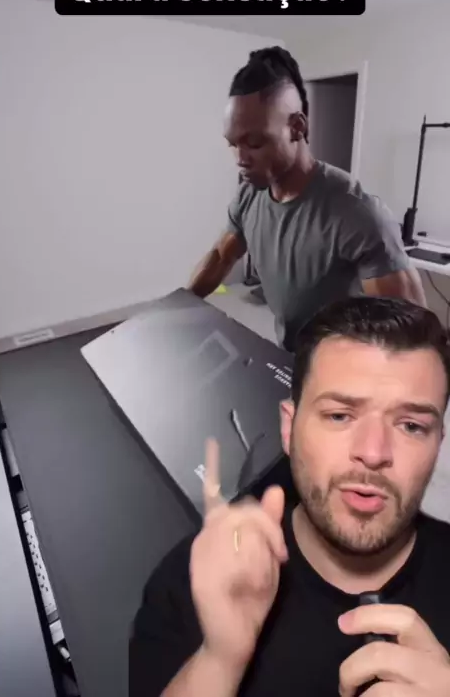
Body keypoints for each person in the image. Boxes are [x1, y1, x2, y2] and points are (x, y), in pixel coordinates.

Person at [128, 296, 450, 697]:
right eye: (340, 416)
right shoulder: (197, 582)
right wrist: (219, 659)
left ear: (438, 443)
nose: (373, 452)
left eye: (411, 426)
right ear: (289, 427)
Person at [188, 47, 426, 351]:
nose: (240, 159)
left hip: (343, 365)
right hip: (292, 354)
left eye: (254, 143)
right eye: (233, 144)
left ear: (297, 127)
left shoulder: (357, 213)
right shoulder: (249, 195)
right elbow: (221, 257)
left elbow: (413, 333)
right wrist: (173, 309)